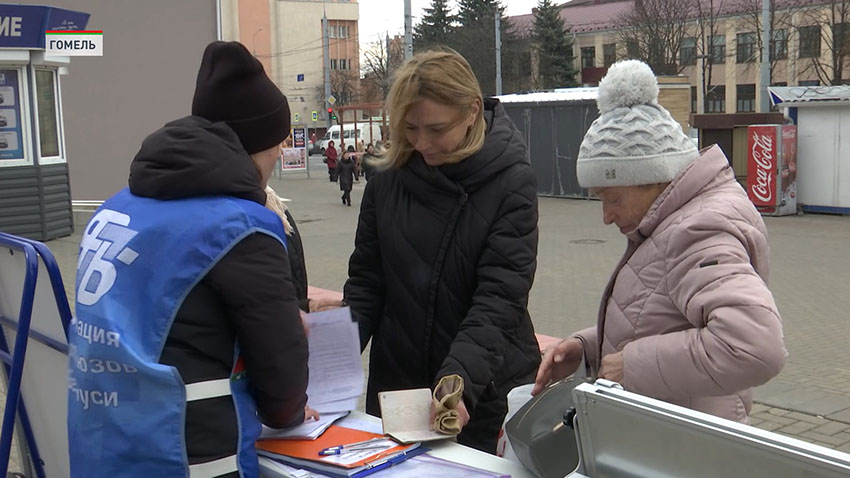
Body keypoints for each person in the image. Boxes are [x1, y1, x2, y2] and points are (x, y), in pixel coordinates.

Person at [68, 41, 314, 478]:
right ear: (256, 145)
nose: (279, 154)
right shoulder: (241, 227)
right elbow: (282, 376)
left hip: (103, 442)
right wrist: (290, 409)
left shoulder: (116, 208)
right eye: (277, 143)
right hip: (187, 452)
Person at [533, 60, 786, 424]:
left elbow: (753, 347)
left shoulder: (698, 230)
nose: (606, 216)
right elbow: (662, 318)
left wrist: (632, 366)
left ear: (651, 177)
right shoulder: (670, 223)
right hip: (671, 439)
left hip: (685, 450)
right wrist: (590, 348)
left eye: (611, 197)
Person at [344, 49, 540, 454]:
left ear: (471, 112)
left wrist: (457, 385)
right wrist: (328, 362)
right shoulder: (387, 176)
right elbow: (366, 282)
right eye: (410, 128)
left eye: (435, 128)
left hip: (479, 390)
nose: (421, 143)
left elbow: (499, 299)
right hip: (398, 387)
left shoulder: (511, 181)